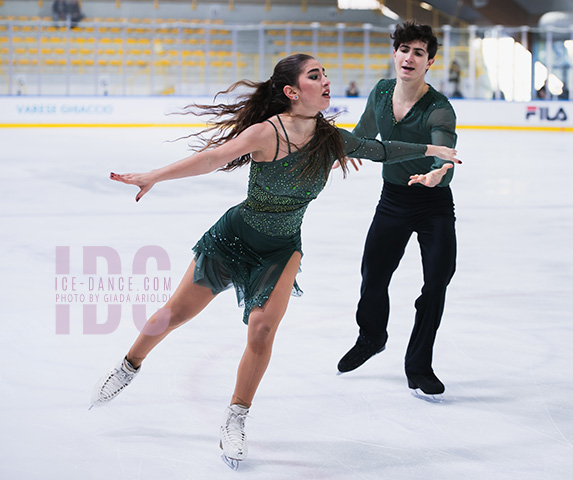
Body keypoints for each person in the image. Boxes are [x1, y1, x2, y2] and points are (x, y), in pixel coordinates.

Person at [89, 53, 459, 467]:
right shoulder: (267, 133)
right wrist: (154, 174)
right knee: (173, 315)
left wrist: (430, 148)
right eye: (315, 76)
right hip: (234, 237)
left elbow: (379, 149)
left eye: (325, 74)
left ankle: (236, 417)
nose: (326, 81)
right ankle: (128, 365)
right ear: (292, 91)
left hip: (282, 248)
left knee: (262, 330)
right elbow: (214, 158)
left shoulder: (330, 138)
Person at [337, 21, 458, 402]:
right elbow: (362, 135)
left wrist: (437, 175)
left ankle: (418, 365)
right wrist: (344, 148)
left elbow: (445, 158)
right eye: (404, 49)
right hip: (393, 199)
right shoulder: (382, 91)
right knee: (373, 274)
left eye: (418, 52)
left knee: (436, 284)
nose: (409, 57)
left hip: (433, 206)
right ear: (395, 53)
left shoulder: (439, 109)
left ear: (430, 62)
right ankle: (371, 337)